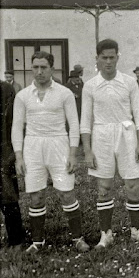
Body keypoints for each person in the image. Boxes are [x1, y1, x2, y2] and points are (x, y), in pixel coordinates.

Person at [12, 51, 88, 253]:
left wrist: (72, 154)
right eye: (35, 67)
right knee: (36, 195)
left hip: (58, 145)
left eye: (43, 67)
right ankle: (38, 242)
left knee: (67, 193)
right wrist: (19, 156)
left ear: (51, 69)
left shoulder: (64, 93)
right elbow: (16, 127)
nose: (39, 71)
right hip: (33, 146)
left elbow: (74, 124)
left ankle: (77, 238)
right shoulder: (23, 96)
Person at [81, 39, 139, 249]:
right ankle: (106, 233)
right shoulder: (90, 85)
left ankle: (136, 231)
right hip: (101, 135)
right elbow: (85, 121)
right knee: (104, 186)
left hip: (126, 135)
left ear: (118, 57)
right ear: (97, 59)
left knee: (133, 185)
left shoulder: (129, 82)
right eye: (104, 57)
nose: (109, 61)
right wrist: (87, 150)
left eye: (112, 57)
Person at [1, 80, 25, 247]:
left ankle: (16, 239)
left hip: (3, 151)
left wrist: (12, 153)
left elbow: (13, 123)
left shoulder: (6, 90)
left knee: (8, 195)